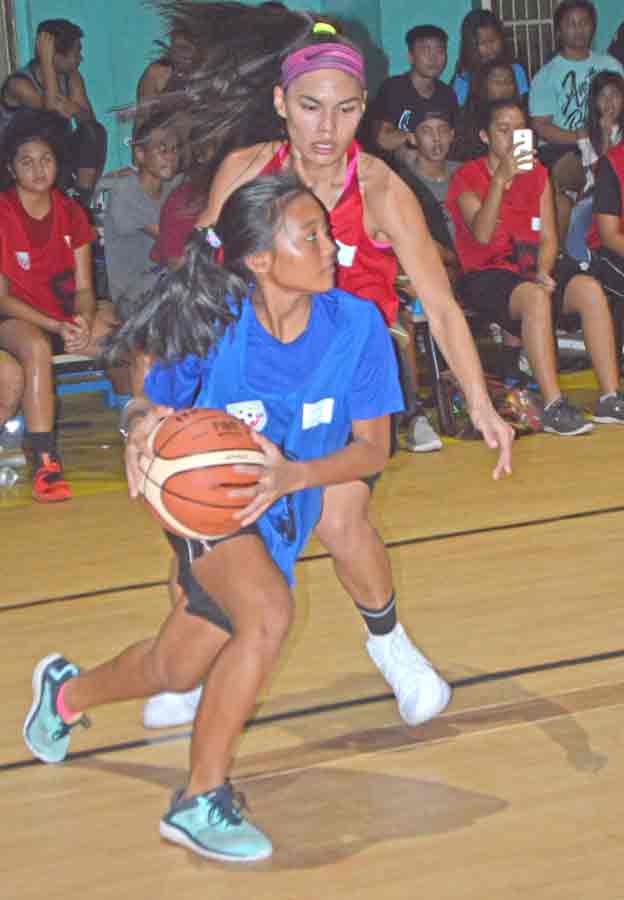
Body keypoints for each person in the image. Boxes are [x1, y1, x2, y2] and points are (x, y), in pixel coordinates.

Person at [24, 172, 438, 861]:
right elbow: (148, 382)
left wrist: (294, 476)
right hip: (208, 504)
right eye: (312, 236)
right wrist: (137, 421)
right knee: (268, 614)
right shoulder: (217, 326)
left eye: (328, 232)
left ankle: (66, 695)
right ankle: (199, 799)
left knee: (176, 668)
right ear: (260, 260)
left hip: (284, 505)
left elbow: (372, 450)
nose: (333, 247)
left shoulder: (358, 324)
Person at [131, 5, 513, 729]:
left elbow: (440, 305)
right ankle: (189, 664)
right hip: (249, 376)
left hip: (341, 388)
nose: (327, 128)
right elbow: (195, 291)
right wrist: (152, 404)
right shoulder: (247, 171)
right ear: (281, 103)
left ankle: (392, 647)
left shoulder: (383, 191)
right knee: (201, 510)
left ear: (364, 109)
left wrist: (482, 404)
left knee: (340, 517)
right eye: (310, 107)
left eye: (344, 109)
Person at [446, 98, 624, 434]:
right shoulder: (466, 177)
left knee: (588, 289)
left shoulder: (539, 173)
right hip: (486, 274)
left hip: (530, 269)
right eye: (503, 130)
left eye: (519, 130)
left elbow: (548, 238)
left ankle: (610, 396)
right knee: (535, 298)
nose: (512, 137)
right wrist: (499, 181)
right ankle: (554, 405)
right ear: (485, 136)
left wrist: (543, 269)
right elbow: (482, 235)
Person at [0, 111, 115, 501]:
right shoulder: (3, 212)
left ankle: (145, 429)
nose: (38, 169)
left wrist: (83, 319)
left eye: (46, 159)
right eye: (27, 161)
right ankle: (46, 461)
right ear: (11, 168)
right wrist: (56, 325)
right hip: (14, 319)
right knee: (34, 348)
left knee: (126, 337)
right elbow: (2, 298)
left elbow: (84, 288)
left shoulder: (71, 211)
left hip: (61, 317)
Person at [529, 0, 624, 239]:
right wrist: (584, 136)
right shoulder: (546, 75)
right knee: (574, 175)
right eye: (571, 23)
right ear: (559, 30)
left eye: (584, 22)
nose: (578, 29)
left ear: (593, 27)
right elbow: (541, 126)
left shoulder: (610, 65)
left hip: (614, 139)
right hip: (566, 147)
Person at [1, 19, 108, 207]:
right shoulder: (18, 84)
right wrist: (46, 62)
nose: (80, 59)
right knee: (49, 122)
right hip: (16, 161)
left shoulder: (72, 77)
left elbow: (88, 120)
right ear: (55, 56)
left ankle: (80, 202)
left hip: (54, 156)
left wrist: (75, 110)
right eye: (76, 53)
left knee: (94, 131)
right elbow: (50, 107)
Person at [102, 112, 181, 317]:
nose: (171, 157)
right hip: (133, 296)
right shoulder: (125, 192)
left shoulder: (173, 186)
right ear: (140, 155)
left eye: (174, 149)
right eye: (162, 150)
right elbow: (172, 242)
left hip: (165, 281)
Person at [370, 24, 458, 158]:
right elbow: (382, 140)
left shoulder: (447, 94)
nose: (433, 58)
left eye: (440, 51)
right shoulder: (393, 88)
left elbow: (452, 140)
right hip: (394, 167)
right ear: (411, 57)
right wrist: (415, 137)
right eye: (426, 51)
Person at [452, 9, 529, 108]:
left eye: (493, 41)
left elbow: (523, 105)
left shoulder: (516, 69)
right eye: (482, 43)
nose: (490, 47)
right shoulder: (464, 78)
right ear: (471, 46)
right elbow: (459, 111)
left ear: (501, 38)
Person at [454, 59, 522, 161]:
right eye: (497, 81)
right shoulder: (468, 116)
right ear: (483, 84)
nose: (504, 86)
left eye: (509, 81)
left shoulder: (520, 114)